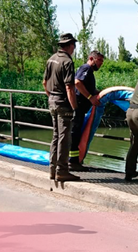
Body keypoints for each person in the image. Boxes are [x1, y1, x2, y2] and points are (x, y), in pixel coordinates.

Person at [43, 33, 81, 182]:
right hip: (63, 102)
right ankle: (62, 170)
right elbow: (69, 87)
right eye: (74, 46)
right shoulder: (67, 62)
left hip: (52, 100)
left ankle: (52, 169)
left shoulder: (51, 59)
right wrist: (74, 107)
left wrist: (51, 97)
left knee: (56, 136)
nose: (74, 49)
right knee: (65, 138)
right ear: (70, 45)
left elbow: (45, 83)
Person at [69, 50, 105, 171]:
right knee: (74, 133)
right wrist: (90, 98)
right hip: (78, 106)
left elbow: (86, 85)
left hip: (80, 107)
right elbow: (77, 82)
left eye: (102, 61)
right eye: (99, 60)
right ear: (91, 58)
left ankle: (74, 161)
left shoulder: (88, 71)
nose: (101, 63)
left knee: (76, 133)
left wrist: (96, 92)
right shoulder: (86, 68)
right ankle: (72, 162)